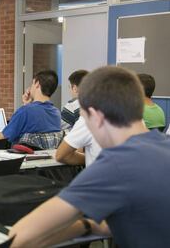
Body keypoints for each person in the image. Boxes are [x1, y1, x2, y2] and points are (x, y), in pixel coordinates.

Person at [9, 66, 170, 247]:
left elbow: (20, 236)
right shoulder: (164, 146)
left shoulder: (116, 165)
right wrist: (87, 225)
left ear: (95, 116)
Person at [0, 70, 61, 144]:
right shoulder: (56, 113)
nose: (31, 87)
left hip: (20, 157)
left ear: (37, 84)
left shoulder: (25, 111)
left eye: (32, 83)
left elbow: (2, 138)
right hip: (45, 157)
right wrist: (27, 104)